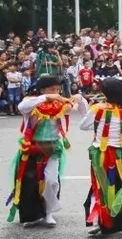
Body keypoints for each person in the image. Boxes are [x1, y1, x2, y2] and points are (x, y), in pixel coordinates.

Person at [6, 75, 88, 227]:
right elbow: (21, 107)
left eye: (58, 89)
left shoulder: (60, 106)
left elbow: (84, 112)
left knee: (52, 181)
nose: (56, 92)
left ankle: (49, 212)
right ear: (42, 90)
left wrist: (80, 98)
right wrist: (46, 97)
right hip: (31, 148)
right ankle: (31, 216)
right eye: (52, 89)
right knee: (30, 183)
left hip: (52, 148)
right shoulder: (31, 104)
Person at [80, 78, 122, 235]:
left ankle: (100, 222)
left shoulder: (97, 109)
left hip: (103, 155)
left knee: (101, 187)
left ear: (104, 92)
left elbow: (83, 126)